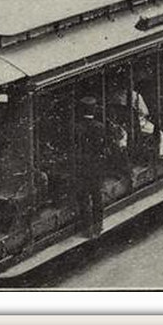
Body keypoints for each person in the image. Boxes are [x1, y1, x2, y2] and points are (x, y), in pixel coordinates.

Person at [74, 96, 107, 238]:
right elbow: (103, 147)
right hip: (96, 166)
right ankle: (98, 226)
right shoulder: (99, 126)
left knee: (83, 197)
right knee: (97, 196)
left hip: (81, 166)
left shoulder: (76, 128)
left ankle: (87, 229)